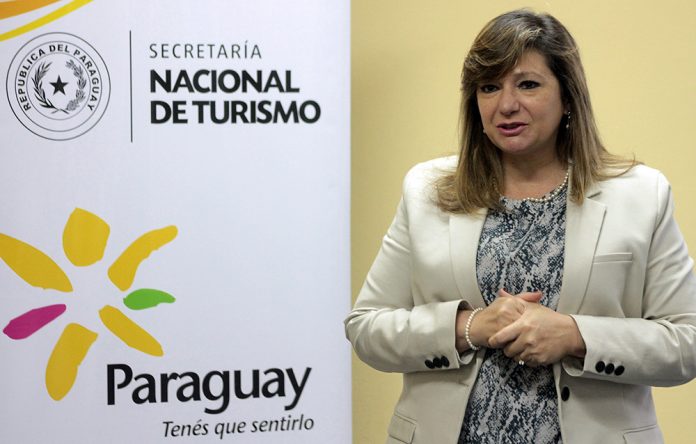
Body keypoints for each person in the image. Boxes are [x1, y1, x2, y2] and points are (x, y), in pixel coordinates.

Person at [344, 9, 696, 444]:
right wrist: (469, 326)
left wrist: (576, 336)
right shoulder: (426, 190)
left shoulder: (641, 194)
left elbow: (686, 342)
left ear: (567, 96)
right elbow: (367, 327)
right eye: (489, 87)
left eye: (527, 84)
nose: (506, 105)